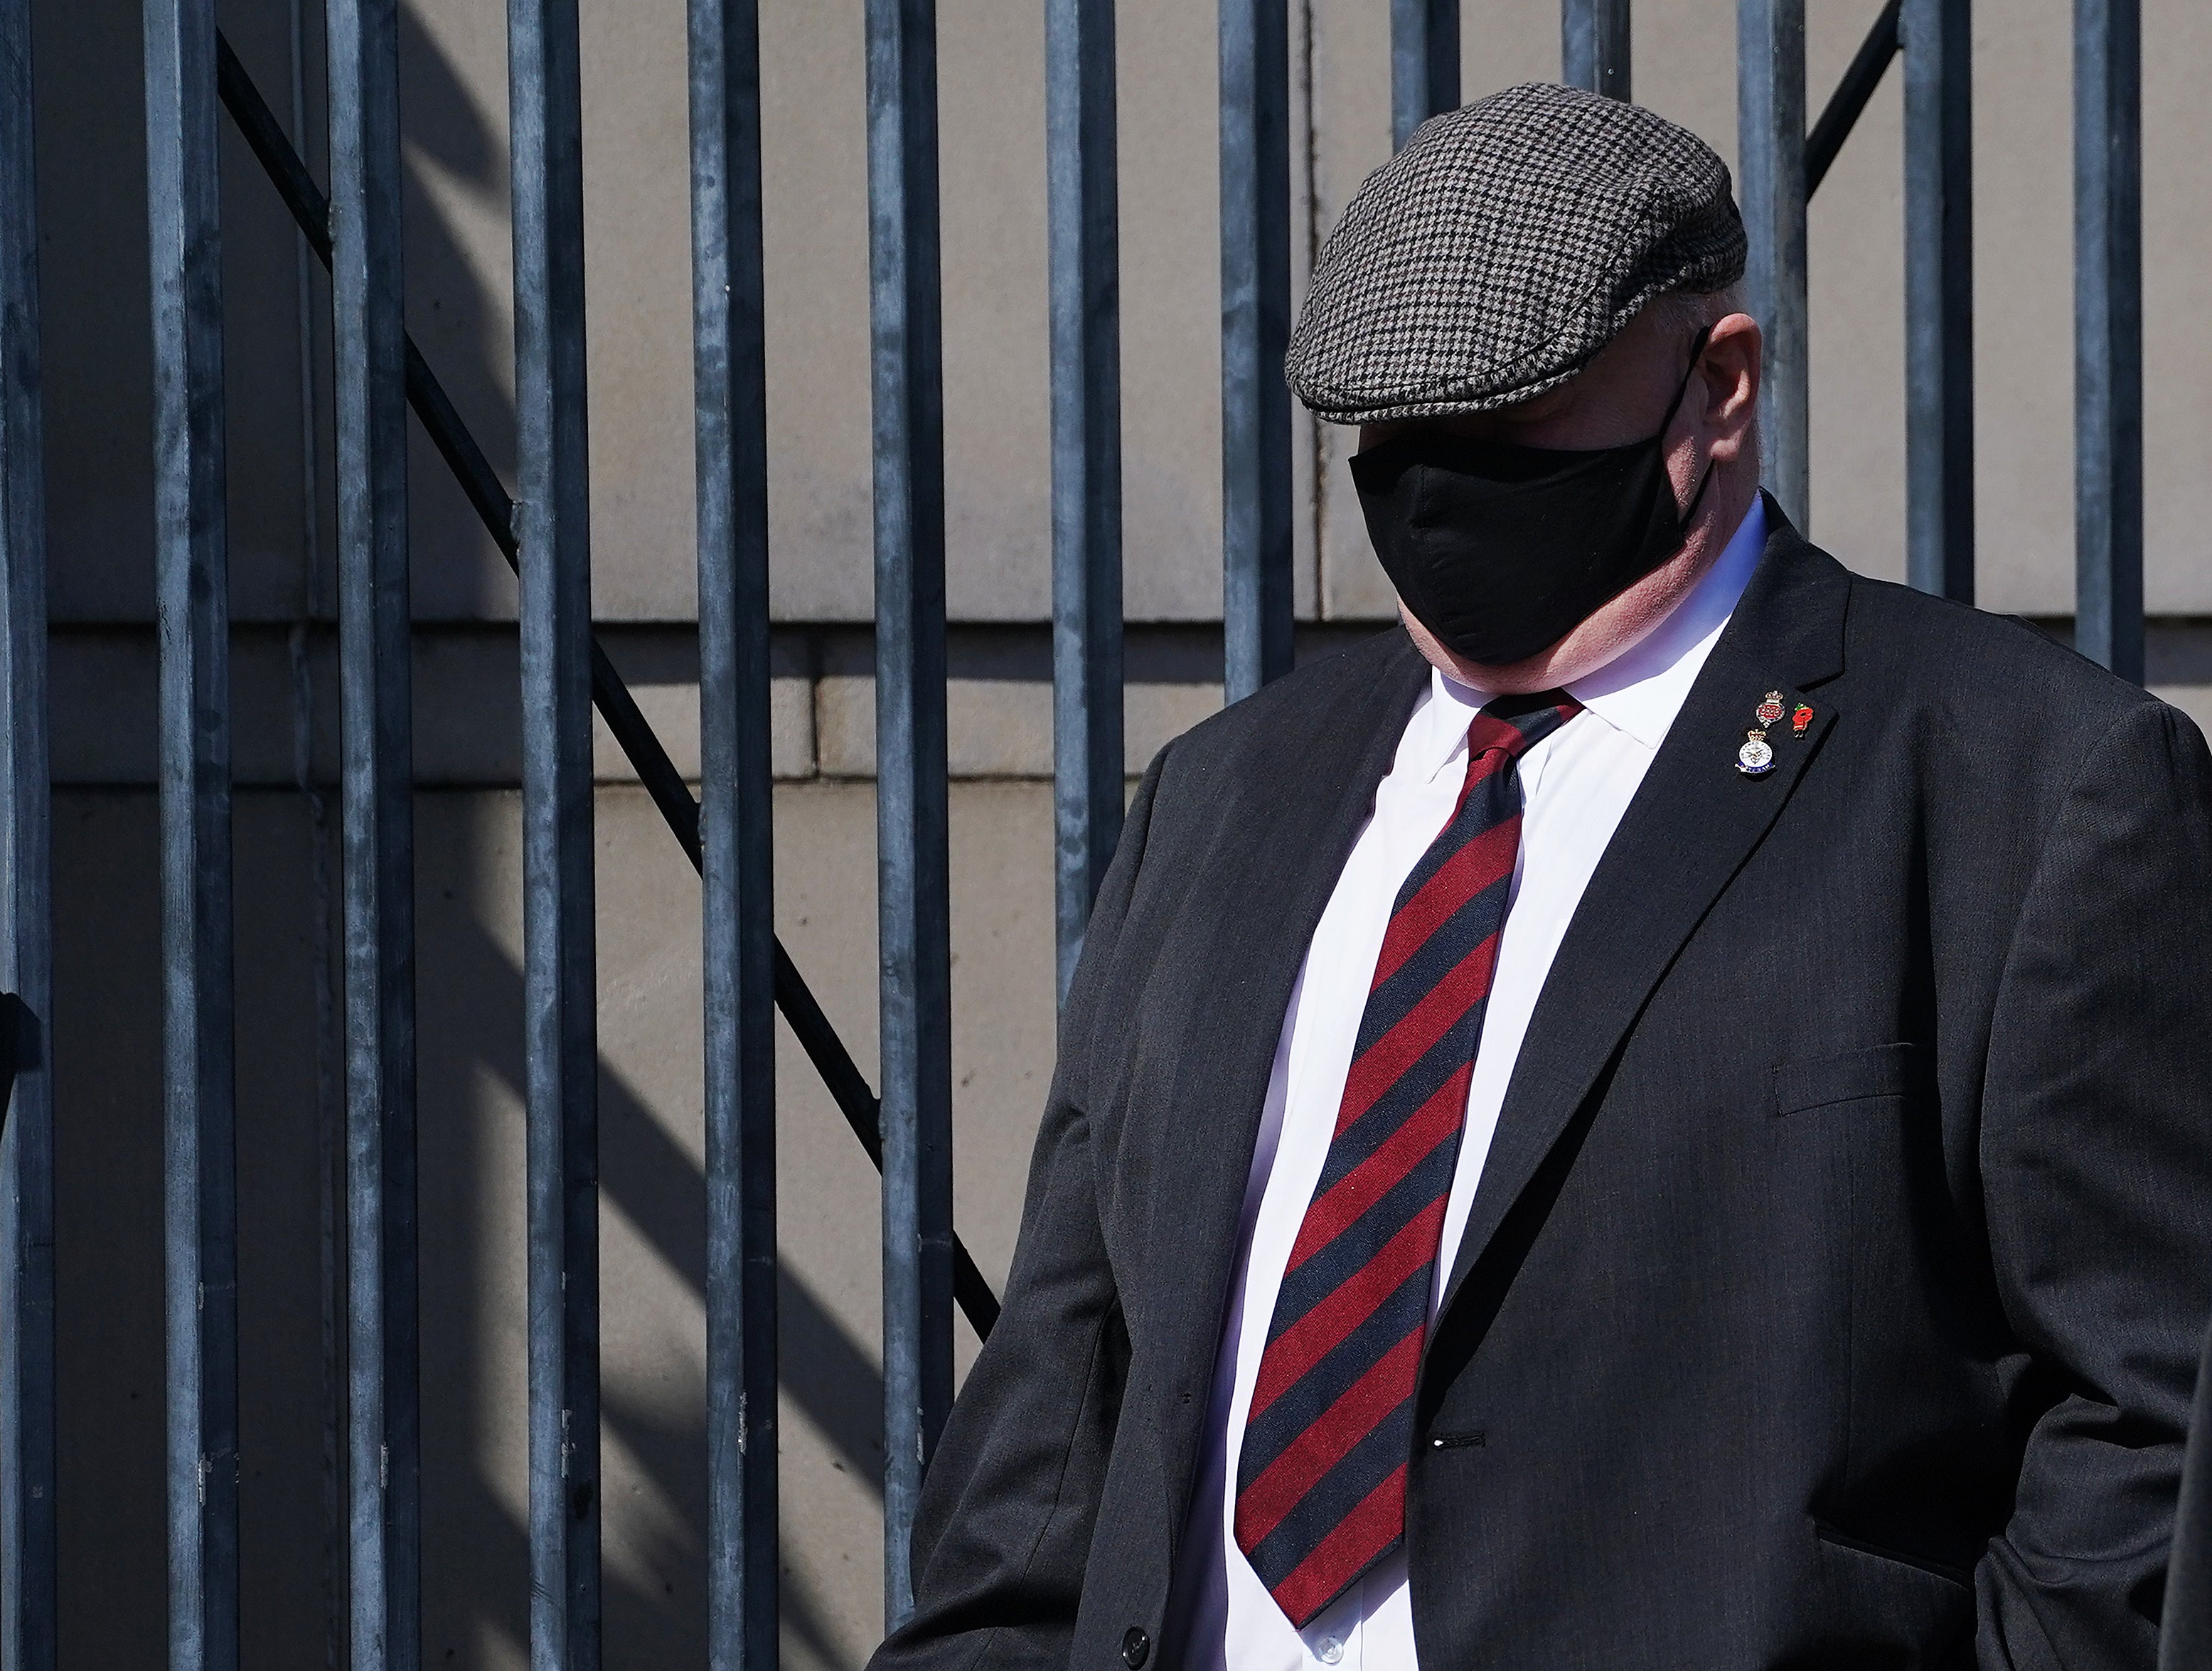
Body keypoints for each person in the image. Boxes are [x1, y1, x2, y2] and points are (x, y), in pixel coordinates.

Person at [868, 82, 2212, 1671]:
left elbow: (2150, 1426)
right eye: (1393, 439)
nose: (1437, 493)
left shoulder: (2026, 786)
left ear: (1716, 384)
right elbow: (1064, 1396)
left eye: (1505, 433)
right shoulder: (1223, 798)